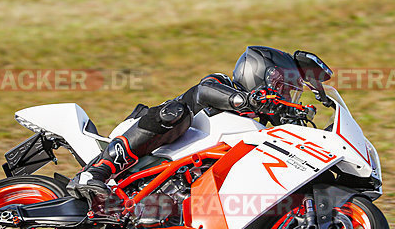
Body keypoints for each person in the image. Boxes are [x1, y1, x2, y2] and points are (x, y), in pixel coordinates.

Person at [67, 46, 313, 219]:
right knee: (177, 112)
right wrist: (244, 100)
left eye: (289, 92)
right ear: (258, 72)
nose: (284, 96)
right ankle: (95, 173)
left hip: (171, 184)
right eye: (281, 87)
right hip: (147, 139)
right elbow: (205, 91)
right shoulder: (221, 84)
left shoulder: (253, 129)